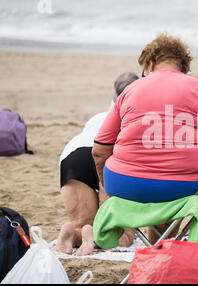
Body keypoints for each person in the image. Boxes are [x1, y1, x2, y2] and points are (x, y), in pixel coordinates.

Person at [90, 34, 198, 280]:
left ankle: (158, 267)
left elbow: (99, 150)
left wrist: (109, 187)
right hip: (186, 186)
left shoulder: (129, 91)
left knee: (148, 179)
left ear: (151, 62)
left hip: (125, 185)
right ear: (183, 66)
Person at [54, 72, 139, 256]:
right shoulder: (137, 112)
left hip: (74, 154)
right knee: (122, 232)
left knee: (82, 225)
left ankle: (71, 234)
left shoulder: (99, 116)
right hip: (110, 154)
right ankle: (98, 237)